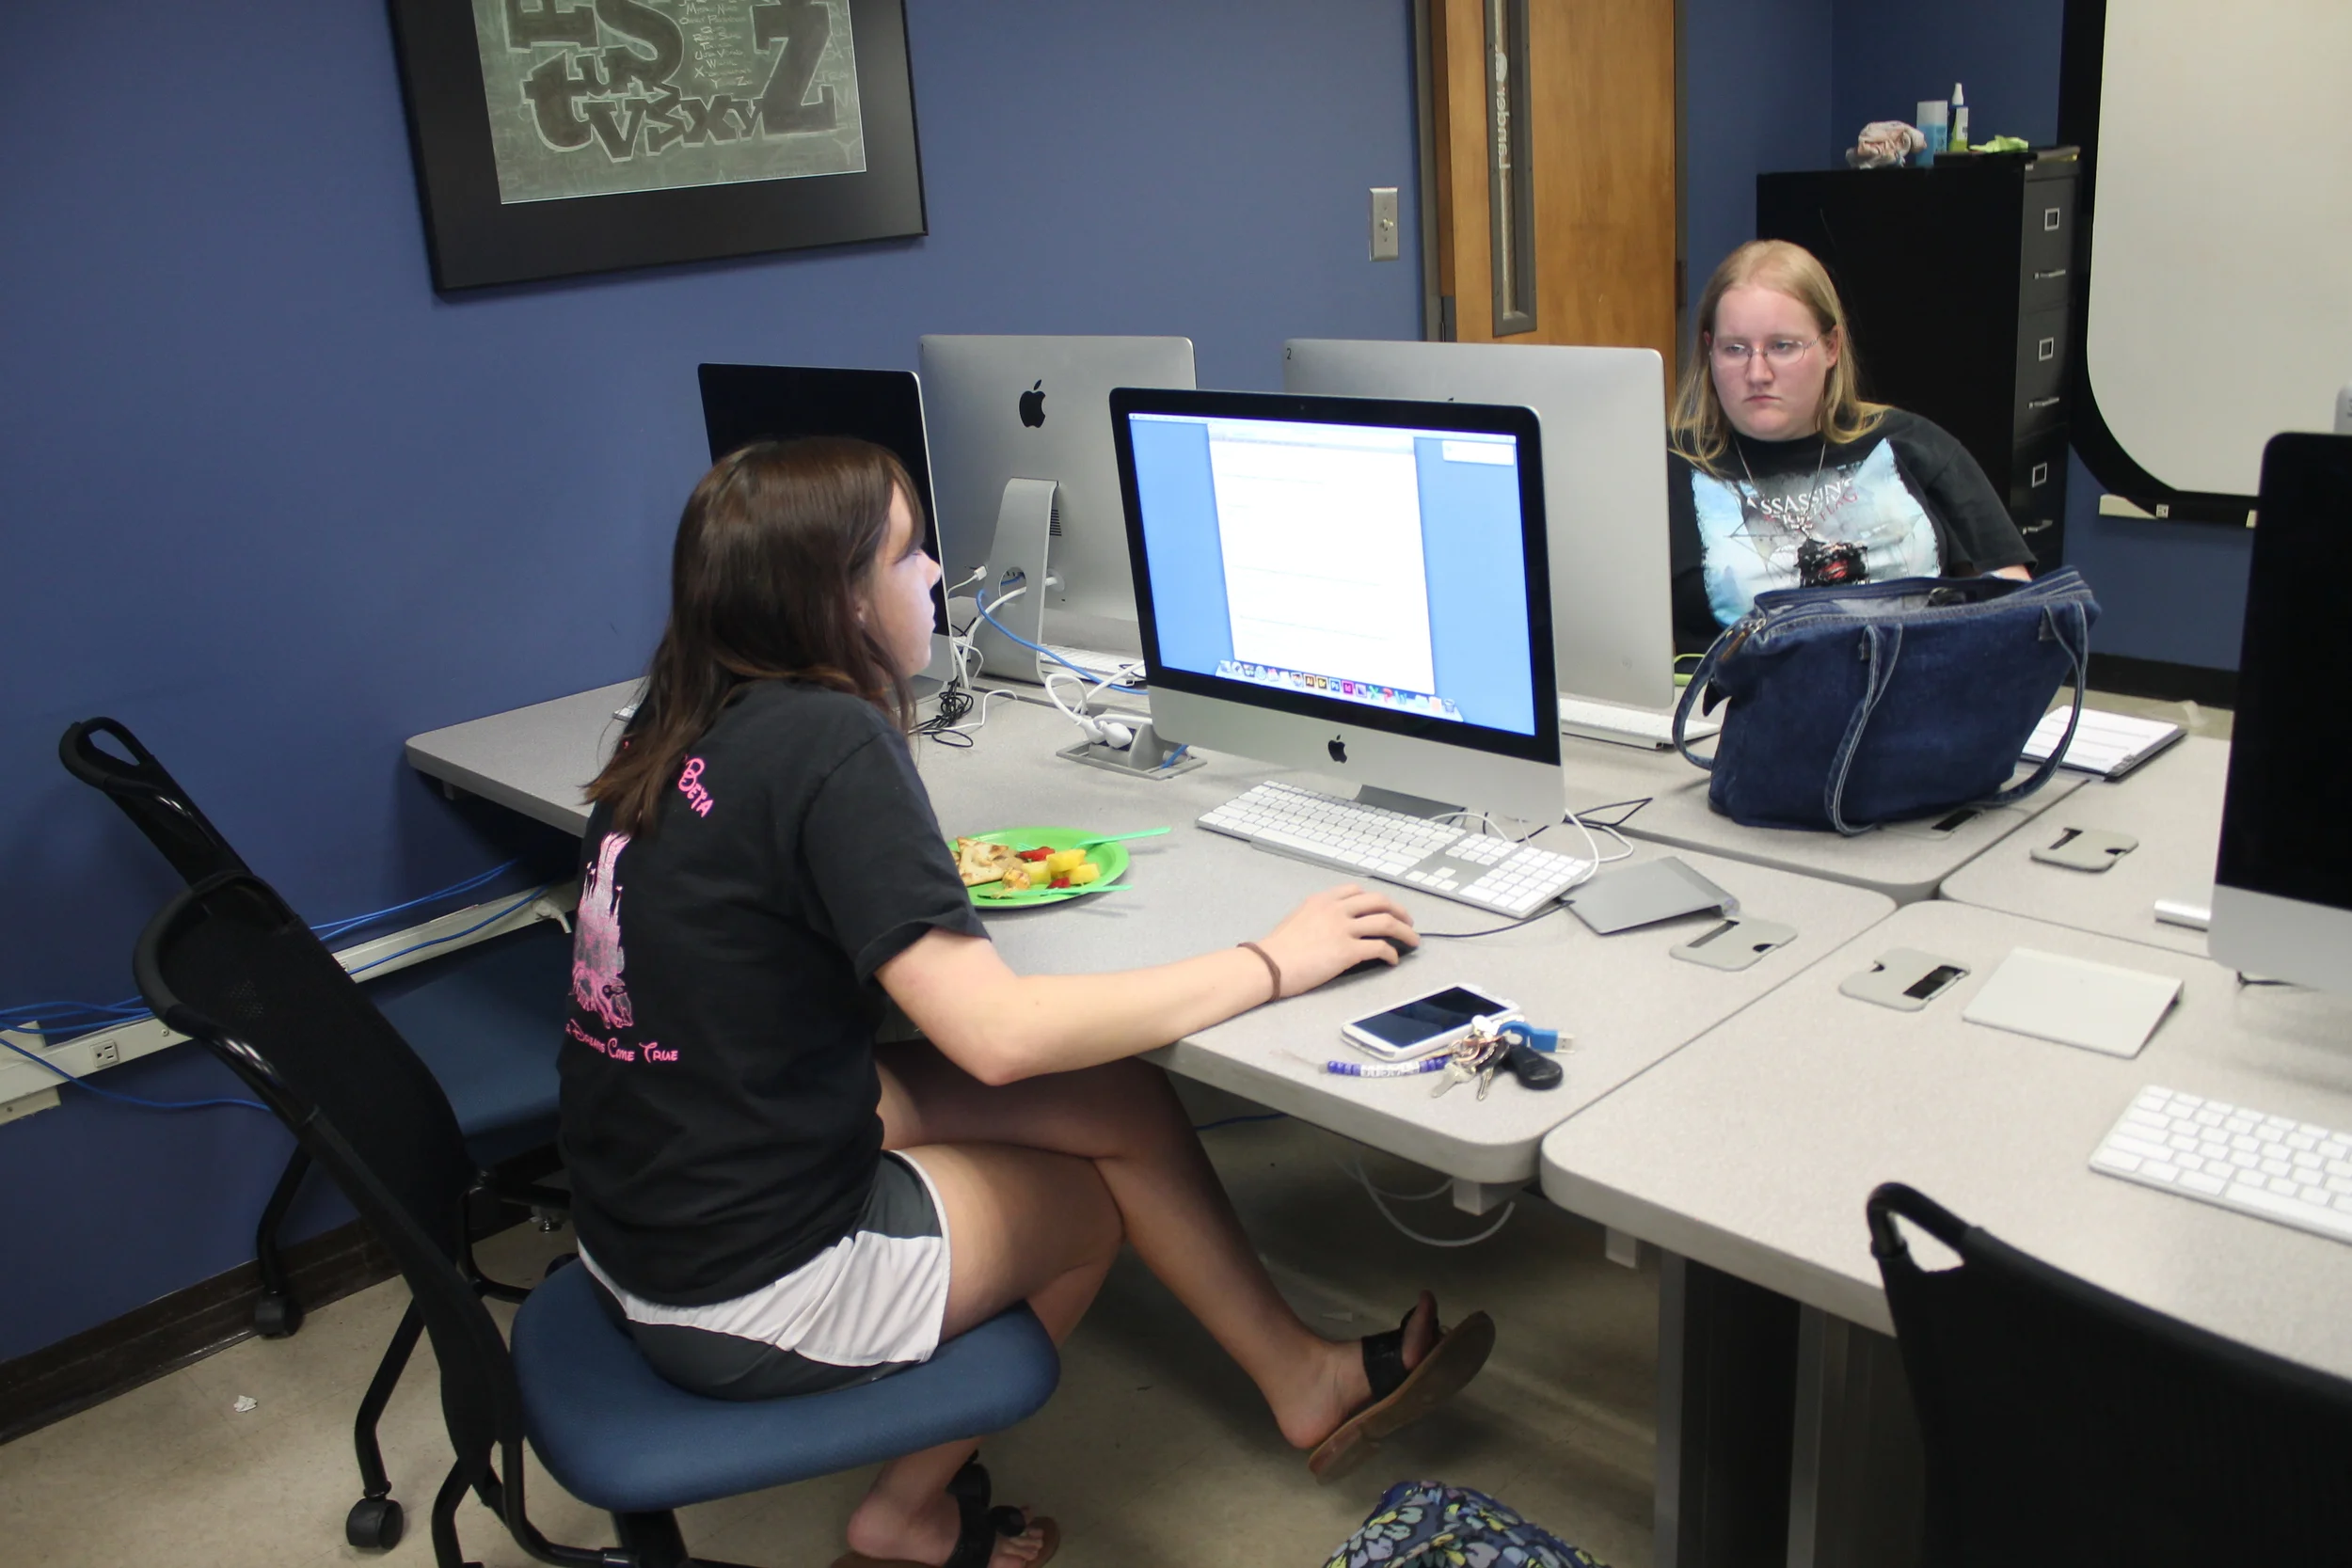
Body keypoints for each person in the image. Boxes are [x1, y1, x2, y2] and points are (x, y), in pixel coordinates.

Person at [559, 437, 1495, 1568]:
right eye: (909, 553)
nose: (935, 574)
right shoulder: (829, 737)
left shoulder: (677, 712)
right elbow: (996, 1036)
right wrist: (1273, 959)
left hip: (644, 1211)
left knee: (1112, 1093)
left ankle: (1301, 1377)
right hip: (744, 1287)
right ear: (839, 598)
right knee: (1085, 1207)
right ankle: (905, 1512)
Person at [1666, 239, 2034, 653]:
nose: (1757, 373)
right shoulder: (1664, 468)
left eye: (1782, 347)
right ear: (1709, 350)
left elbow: (2014, 611)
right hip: (1732, 692)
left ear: (1831, 347)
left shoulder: (1916, 447)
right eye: (1735, 349)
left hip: (1911, 682)